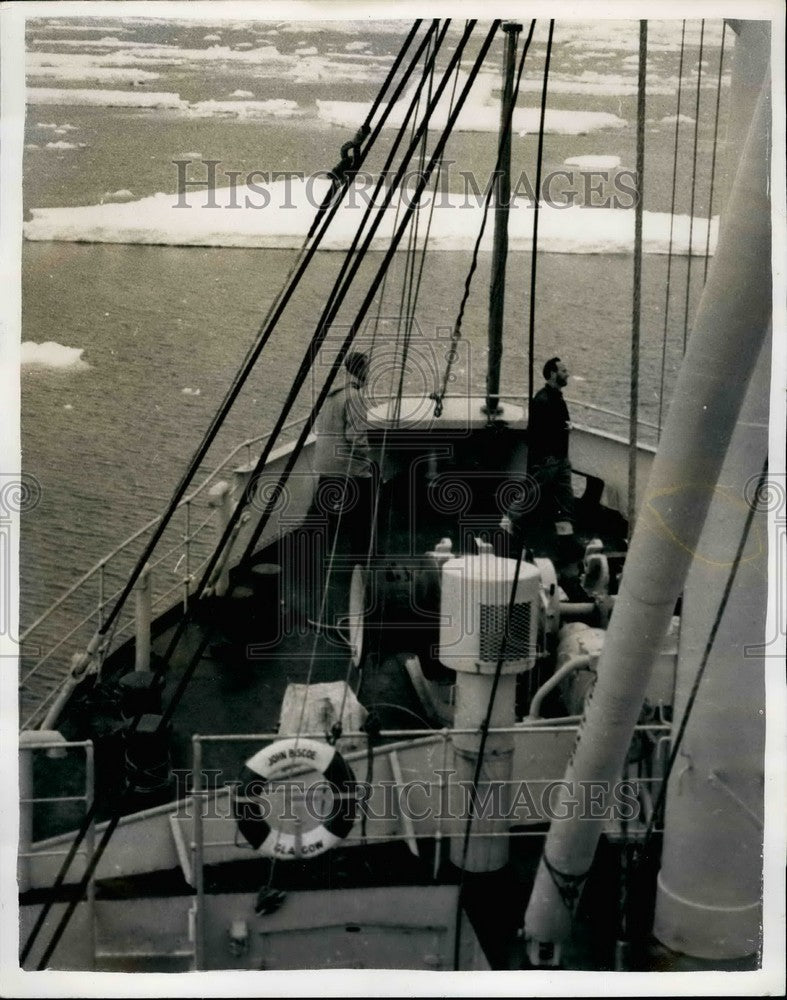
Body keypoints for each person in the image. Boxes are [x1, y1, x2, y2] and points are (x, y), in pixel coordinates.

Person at [504, 356, 575, 550]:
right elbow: (537, 433)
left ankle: (566, 539)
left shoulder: (556, 397)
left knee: (565, 499)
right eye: (563, 371)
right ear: (553, 374)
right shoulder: (542, 400)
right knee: (528, 496)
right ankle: (504, 529)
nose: (567, 374)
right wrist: (545, 458)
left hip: (560, 460)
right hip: (548, 460)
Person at [311, 350, 375, 560]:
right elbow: (356, 438)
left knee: (324, 511)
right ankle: (361, 556)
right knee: (364, 506)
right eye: (367, 368)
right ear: (361, 370)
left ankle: (313, 553)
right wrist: (368, 456)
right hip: (345, 466)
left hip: (323, 463)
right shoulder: (354, 396)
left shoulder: (332, 394)